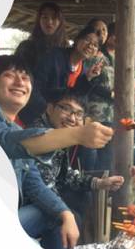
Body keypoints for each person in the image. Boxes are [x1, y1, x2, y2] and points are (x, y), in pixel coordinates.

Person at [0, 56, 113, 249]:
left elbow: (34, 184)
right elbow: (3, 142)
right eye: (9, 75)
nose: (20, 82)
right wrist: (77, 134)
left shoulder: (16, 129)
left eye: (25, 77)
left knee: (61, 214)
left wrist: (65, 213)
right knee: (50, 214)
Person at [33, 89, 123, 221]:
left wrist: (99, 183)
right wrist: (65, 214)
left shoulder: (61, 134)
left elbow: (66, 174)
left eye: (79, 114)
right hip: (31, 201)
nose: (72, 118)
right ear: (50, 109)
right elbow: (41, 187)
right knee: (74, 217)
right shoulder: (39, 134)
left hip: (50, 192)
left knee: (84, 197)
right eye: (66, 109)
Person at [19, 27, 101, 125]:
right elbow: (35, 85)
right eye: (87, 40)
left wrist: (88, 78)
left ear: (96, 52)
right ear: (77, 40)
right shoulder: (54, 56)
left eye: (95, 45)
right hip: (36, 113)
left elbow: (76, 98)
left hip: (59, 118)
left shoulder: (83, 70)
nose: (90, 46)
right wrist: (46, 111)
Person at [15, 1, 69, 73]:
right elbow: (16, 71)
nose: (49, 22)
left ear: (60, 22)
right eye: (45, 17)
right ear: (39, 21)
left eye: (54, 17)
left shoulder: (66, 50)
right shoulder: (25, 47)